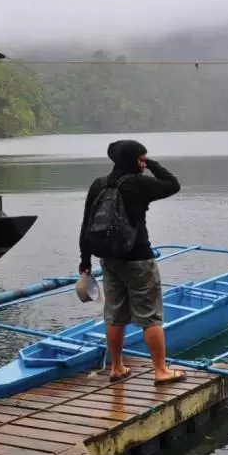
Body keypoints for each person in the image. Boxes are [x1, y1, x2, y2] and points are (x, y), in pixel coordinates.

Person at [79, 139, 185, 384]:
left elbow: (86, 224)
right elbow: (173, 184)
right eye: (140, 158)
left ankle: (117, 367)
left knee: (114, 315)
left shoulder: (99, 185)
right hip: (139, 259)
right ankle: (161, 371)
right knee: (150, 316)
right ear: (131, 159)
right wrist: (152, 164)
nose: (142, 162)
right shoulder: (138, 183)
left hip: (109, 260)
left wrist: (85, 260)